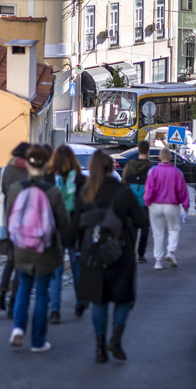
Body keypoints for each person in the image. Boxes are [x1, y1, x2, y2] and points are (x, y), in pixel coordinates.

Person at [75, 150, 149, 363]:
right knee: (123, 298)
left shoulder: (86, 193)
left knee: (99, 301)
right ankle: (115, 338)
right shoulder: (122, 193)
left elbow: (77, 225)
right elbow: (142, 221)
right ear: (111, 169)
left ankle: (99, 348)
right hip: (120, 252)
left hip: (93, 253)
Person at [6, 145, 70, 353]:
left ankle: (17, 328)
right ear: (46, 165)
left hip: (22, 248)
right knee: (42, 293)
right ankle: (38, 341)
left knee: (24, 287)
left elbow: (10, 218)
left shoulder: (16, 188)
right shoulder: (52, 192)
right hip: (45, 249)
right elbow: (63, 222)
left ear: (27, 163)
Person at [0, 142, 30, 317]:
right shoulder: (29, 175)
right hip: (23, 225)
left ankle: (1, 297)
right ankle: (13, 304)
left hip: (5, 223)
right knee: (19, 264)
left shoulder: (2, 172)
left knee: (10, 262)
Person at [46, 144, 85, 323]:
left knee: (56, 270)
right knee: (77, 268)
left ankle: (55, 309)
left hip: (54, 228)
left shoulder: (48, 179)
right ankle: (80, 302)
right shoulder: (80, 180)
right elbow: (84, 207)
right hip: (74, 229)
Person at [143, 147, 190, 270]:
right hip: (172, 205)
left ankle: (158, 261)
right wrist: (185, 206)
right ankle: (171, 252)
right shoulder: (176, 172)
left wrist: (147, 201)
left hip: (155, 205)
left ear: (159, 157)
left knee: (157, 233)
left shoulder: (153, 172)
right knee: (174, 229)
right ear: (170, 158)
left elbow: (150, 189)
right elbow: (182, 190)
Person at [121, 140, 154, 263]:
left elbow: (124, 182)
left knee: (132, 229)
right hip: (145, 203)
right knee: (145, 228)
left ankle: (130, 253)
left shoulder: (130, 165)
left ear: (138, 149)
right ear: (148, 151)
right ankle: (141, 254)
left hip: (131, 201)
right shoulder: (150, 167)